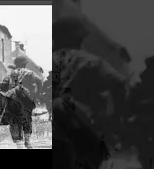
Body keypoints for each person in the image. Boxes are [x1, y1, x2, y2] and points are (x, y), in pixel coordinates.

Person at [52, 17, 128, 169]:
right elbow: (120, 84)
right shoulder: (91, 61)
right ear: (80, 39)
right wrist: (114, 118)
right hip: (85, 129)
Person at [5, 56, 43, 149]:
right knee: (27, 119)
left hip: (13, 98)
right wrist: (38, 94)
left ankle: (19, 144)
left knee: (14, 119)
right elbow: (39, 81)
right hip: (26, 98)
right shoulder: (30, 73)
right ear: (26, 64)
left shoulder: (13, 73)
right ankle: (27, 142)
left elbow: (10, 86)